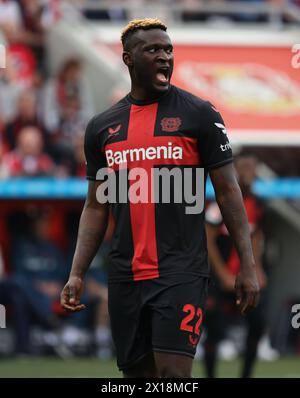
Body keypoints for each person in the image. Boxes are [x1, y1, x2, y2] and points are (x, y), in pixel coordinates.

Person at [61, 18, 260, 378]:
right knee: (138, 379)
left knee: (173, 377)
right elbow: (95, 206)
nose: (164, 57)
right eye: (153, 49)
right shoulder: (102, 127)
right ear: (128, 59)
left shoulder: (199, 114)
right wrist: (77, 272)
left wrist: (246, 264)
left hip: (180, 271)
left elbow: (229, 192)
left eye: (168, 50)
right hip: (125, 275)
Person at [203, 153, 267, 378]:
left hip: (245, 277)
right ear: (235, 171)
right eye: (244, 167)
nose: (249, 172)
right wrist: (222, 275)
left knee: (258, 322)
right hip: (221, 279)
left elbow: (256, 236)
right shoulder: (221, 203)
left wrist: (257, 268)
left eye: (252, 167)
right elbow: (208, 238)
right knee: (214, 328)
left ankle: (246, 374)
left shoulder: (258, 203)